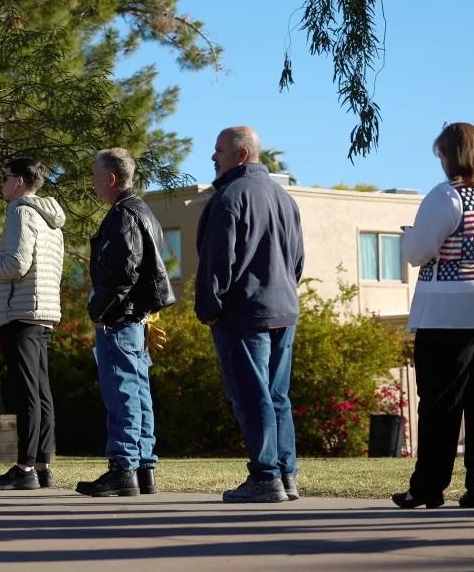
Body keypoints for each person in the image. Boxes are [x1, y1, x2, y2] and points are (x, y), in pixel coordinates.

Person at [393, 124, 474, 510]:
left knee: (440, 400)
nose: (440, 163)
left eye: (441, 155)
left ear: (452, 156)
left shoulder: (447, 195)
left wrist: (408, 236)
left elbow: (418, 252)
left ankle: (428, 487)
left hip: (451, 309)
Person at [197, 126, 306, 503]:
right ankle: (285, 474)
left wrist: (209, 309)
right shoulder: (284, 198)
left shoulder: (229, 197)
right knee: (277, 395)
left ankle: (264, 476)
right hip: (283, 310)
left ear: (241, 155)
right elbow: (297, 261)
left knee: (251, 395)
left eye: (219, 150)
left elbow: (216, 262)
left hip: (244, 313)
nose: (213, 157)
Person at [76, 148, 175, 498]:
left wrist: (102, 311)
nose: (92, 181)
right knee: (137, 392)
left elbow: (123, 270)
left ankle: (123, 467)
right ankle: (143, 468)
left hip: (120, 318)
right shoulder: (142, 211)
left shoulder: (123, 215)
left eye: (95, 175)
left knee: (122, 394)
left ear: (111, 179)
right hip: (135, 317)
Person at [0, 157, 67, 491]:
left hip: (21, 311)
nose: (2, 182)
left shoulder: (20, 211)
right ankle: (42, 466)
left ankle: (24, 468)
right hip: (44, 312)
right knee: (41, 391)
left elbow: (16, 264)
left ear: (21, 182)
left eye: (5, 176)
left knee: (27, 392)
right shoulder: (51, 218)